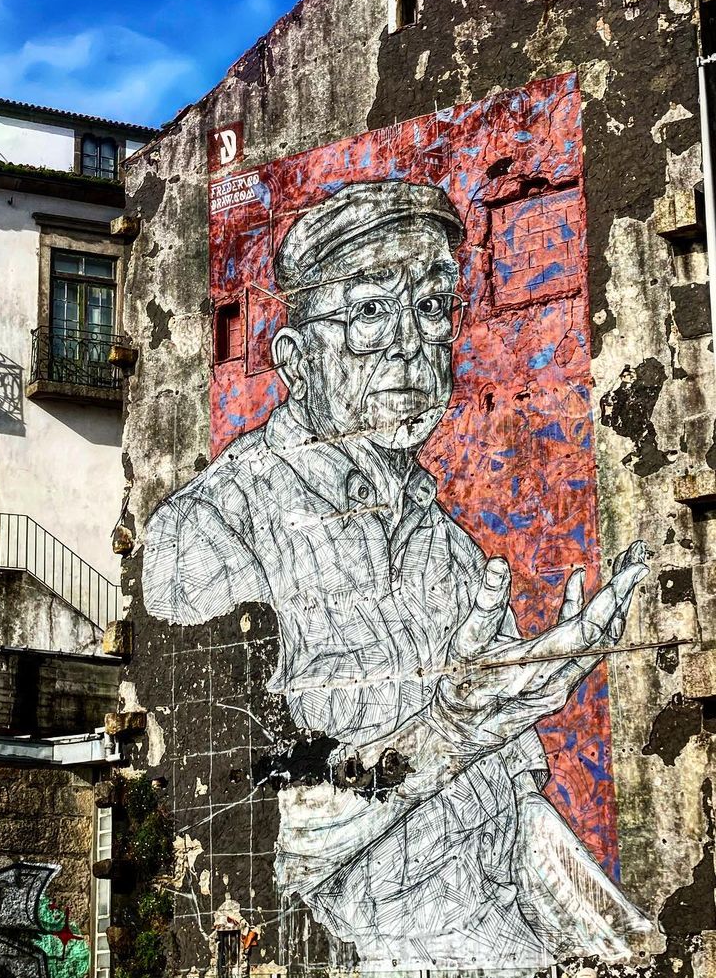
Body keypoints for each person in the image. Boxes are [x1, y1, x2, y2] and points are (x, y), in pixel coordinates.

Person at [141, 179, 650, 971]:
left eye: (432, 307)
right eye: (373, 312)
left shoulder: (451, 553)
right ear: (295, 359)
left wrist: (623, 950)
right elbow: (241, 840)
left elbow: (517, 826)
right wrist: (451, 729)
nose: (414, 345)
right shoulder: (209, 532)